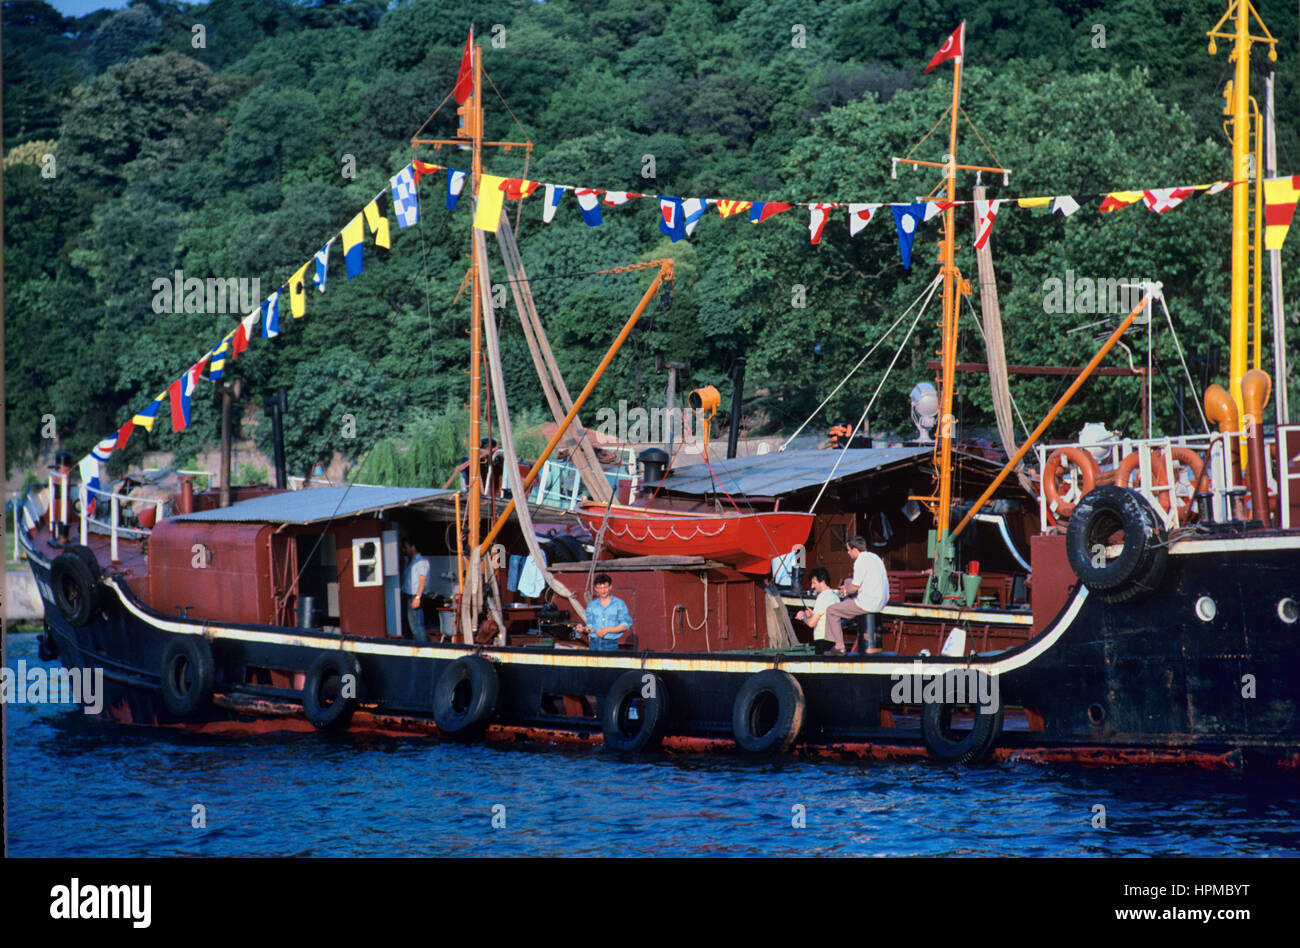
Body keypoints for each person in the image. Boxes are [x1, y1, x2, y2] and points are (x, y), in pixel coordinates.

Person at [823, 535, 889, 655]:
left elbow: (854, 588)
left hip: (868, 603)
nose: (848, 553)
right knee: (848, 582)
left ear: (854, 549)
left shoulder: (860, 561)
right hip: (881, 602)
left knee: (831, 610)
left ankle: (839, 646)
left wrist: (846, 591)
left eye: (848, 550)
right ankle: (847, 613)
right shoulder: (875, 557)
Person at [794, 566, 841, 654]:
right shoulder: (835, 597)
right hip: (834, 641)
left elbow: (811, 623)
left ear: (822, 582)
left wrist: (802, 616)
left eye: (814, 583)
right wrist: (811, 615)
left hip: (823, 642)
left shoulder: (822, 597)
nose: (812, 586)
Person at [580, 573, 632, 651]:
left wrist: (606, 630)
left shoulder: (619, 604)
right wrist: (583, 629)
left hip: (611, 645)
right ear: (595, 589)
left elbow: (625, 625)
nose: (603, 590)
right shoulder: (592, 605)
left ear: (610, 587)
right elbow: (589, 626)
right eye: (600, 588)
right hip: (593, 644)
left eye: (605, 587)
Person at [401, 536, 431, 642]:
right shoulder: (408, 561)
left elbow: (422, 580)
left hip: (414, 596)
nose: (404, 550)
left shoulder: (421, 562)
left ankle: (424, 651)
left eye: (406, 547)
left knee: (417, 627)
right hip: (407, 595)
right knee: (411, 627)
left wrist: (417, 597)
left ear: (413, 547)